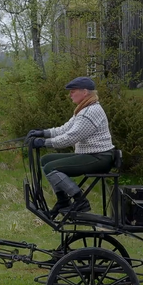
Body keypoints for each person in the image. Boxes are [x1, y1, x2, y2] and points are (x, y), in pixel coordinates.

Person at [28, 76, 115, 215]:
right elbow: (65, 129)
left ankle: (80, 201)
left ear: (85, 92)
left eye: (73, 91)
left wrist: (44, 143)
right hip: (91, 155)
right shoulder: (83, 109)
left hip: (99, 157)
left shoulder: (89, 112)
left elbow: (70, 137)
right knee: (46, 160)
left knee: (51, 168)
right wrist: (43, 133)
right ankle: (63, 200)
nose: (70, 95)